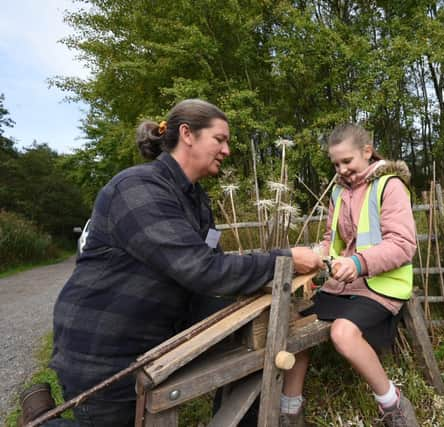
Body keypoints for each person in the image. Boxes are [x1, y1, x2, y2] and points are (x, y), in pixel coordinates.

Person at [21, 99, 323, 427]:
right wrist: (287, 258)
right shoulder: (138, 189)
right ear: (187, 134)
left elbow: (214, 263)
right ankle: (40, 419)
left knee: (251, 343)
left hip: (158, 340)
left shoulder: (197, 200)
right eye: (219, 139)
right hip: (103, 349)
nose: (227, 150)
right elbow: (202, 270)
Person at [280, 123, 419, 427]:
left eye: (347, 162)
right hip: (343, 286)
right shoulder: (339, 192)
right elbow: (333, 240)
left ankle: (394, 405)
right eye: (335, 164)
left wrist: (356, 264)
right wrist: (320, 257)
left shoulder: (390, 186)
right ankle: (289, 411)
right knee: (291, 326)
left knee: (342, 333)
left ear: (367, 152)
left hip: (383, 284)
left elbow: (403, 245)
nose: (341, 170)